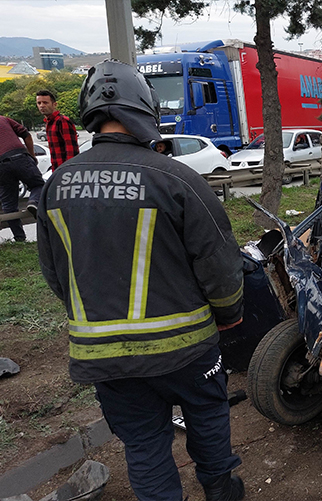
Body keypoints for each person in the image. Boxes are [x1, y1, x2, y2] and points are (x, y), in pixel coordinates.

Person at [37, 60, 246, 500]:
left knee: (144, 444)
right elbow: (219, 263)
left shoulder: (57, 185)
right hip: (187, 348)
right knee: (207, 415)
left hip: (104, 356)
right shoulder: (177, 178)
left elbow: (56, 273)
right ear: (147, 108)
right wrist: (229, 313)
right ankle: (220, 490)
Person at [0, 115, 43, 242]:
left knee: (8, 204)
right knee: (38, 185)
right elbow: (26, 135)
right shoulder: (3, 119)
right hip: (19, 156)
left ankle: (19, 238)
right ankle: (33, 202)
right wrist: (32, 155)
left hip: (1, 165)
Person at [36, 90, 79, 171]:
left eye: (45, 102)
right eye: (39, 103)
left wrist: (68, 170)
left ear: (54, 104)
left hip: (66, 170)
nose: (42, 105)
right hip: (57, 169)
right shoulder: (50, 123)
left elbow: (71, 150)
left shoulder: (62, 121)